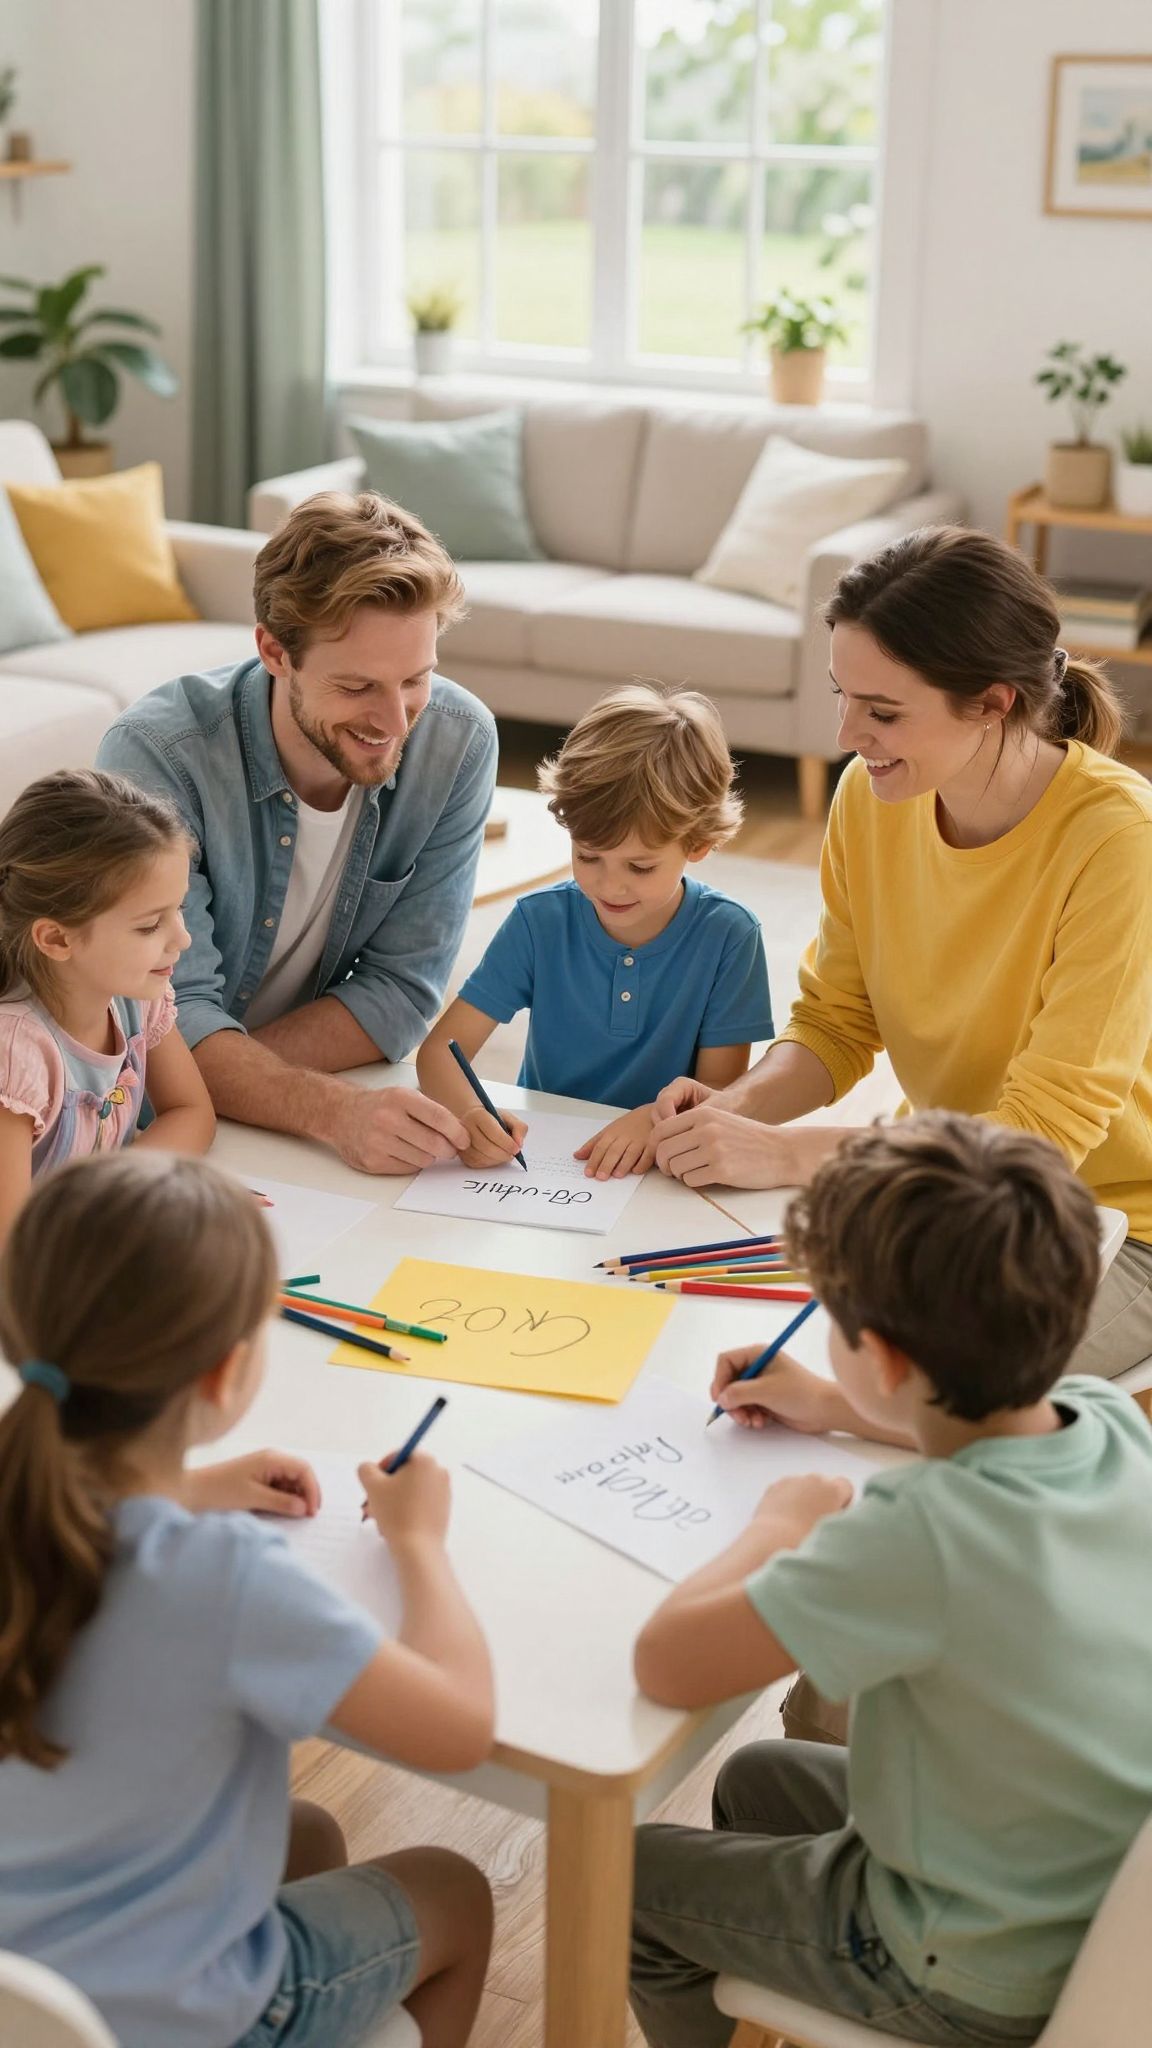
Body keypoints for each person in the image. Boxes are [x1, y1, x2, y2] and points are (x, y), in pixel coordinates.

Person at [629, 1112, 1152, 2048]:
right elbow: (975, 1427)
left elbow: (666, 1664)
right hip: (1084, 1895)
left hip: (963, 1961)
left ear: (884, 1354)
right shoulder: (1107, 1416)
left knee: (622, 1879)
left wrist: (777, 1527)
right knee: (755, 1781)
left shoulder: (919, 1537)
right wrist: (830, 1404)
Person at [0, 1148, 495, 2048]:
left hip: (21, 1995)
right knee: (454, 1890)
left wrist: (182, 1485)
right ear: (226, 1376)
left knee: (302, 1835)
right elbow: (460, 1728)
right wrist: (419, 1541)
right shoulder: (220, 1576)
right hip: (165, 2020)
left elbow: (95, 1524)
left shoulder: (19, 1493)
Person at [651, 525, 1152, 1378]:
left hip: (1112, 1225)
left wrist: (792, 1157)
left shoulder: (1120, 843)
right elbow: (840, 1021)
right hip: (948, 1196)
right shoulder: (872, 796)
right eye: (843, 694)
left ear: (993, 703)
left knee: (916, 1382)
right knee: (704, 1305)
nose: (849, 733)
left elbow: (1042, 1134)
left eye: (883, 712)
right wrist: (740, 1107)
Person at [97, 491, 498, 1177]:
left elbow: (403, 991)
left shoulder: (456, 742)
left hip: (212, 1111)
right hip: (127, 1116)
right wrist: (327, 1109)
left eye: (415, 679)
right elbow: (166, 1011)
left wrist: (241, 1076)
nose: (396, 722)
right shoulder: (157, 757)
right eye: (358, 686)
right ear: (274, 652)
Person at [418, 683, 772, 1177]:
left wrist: (653, 1118)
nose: (609, 886)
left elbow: (719, 1100)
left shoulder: (729, 937)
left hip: (661, 1169)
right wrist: (472, 1115)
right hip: (541, 1170)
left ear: (699, 843)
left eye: (640, 867)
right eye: (588, 856)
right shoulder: (539, 922)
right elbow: (440, 1054)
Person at [0, 769, 214, 1243]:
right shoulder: (14, 1057)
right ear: (56, 938)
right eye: (148, 926)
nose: (182, 938)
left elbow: (191, 1111)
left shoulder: (137, 999)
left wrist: (126, 1194)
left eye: (177, 909)